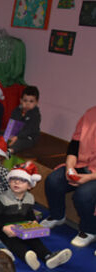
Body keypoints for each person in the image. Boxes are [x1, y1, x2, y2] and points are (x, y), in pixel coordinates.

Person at [0, 162, 72, 271]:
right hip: (6, 228)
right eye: (13, 179)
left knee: (34, 240)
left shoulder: (30, 198)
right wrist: (3, 228)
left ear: (29, 185)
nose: (17, 182)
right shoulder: (2, 198)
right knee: (13, 243)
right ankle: (27, 255)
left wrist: (33, 222)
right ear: (9, 181)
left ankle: (48, 256)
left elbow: (29, 213)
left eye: (22, 180)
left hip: (22, 226)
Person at [41, 105, 96, 248]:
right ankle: (58, 216)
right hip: (82, 164)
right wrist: (70, 167)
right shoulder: (90, 113)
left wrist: (89, 178)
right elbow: (74, 146)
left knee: (83, 195)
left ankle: (89, 230)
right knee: (53, 180)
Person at [7, 86, 41, 155]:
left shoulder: (35, 115)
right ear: (21, 101)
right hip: (16, 134)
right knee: (1, 135)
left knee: (19, 143)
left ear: (36, 102)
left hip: (28, 137)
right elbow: (11, 123)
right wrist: (8, 134)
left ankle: (10, 151)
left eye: (31, 101)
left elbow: (30, 130)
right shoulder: (17, 110)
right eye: (25, 100)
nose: (28, 103)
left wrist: (17, 137)